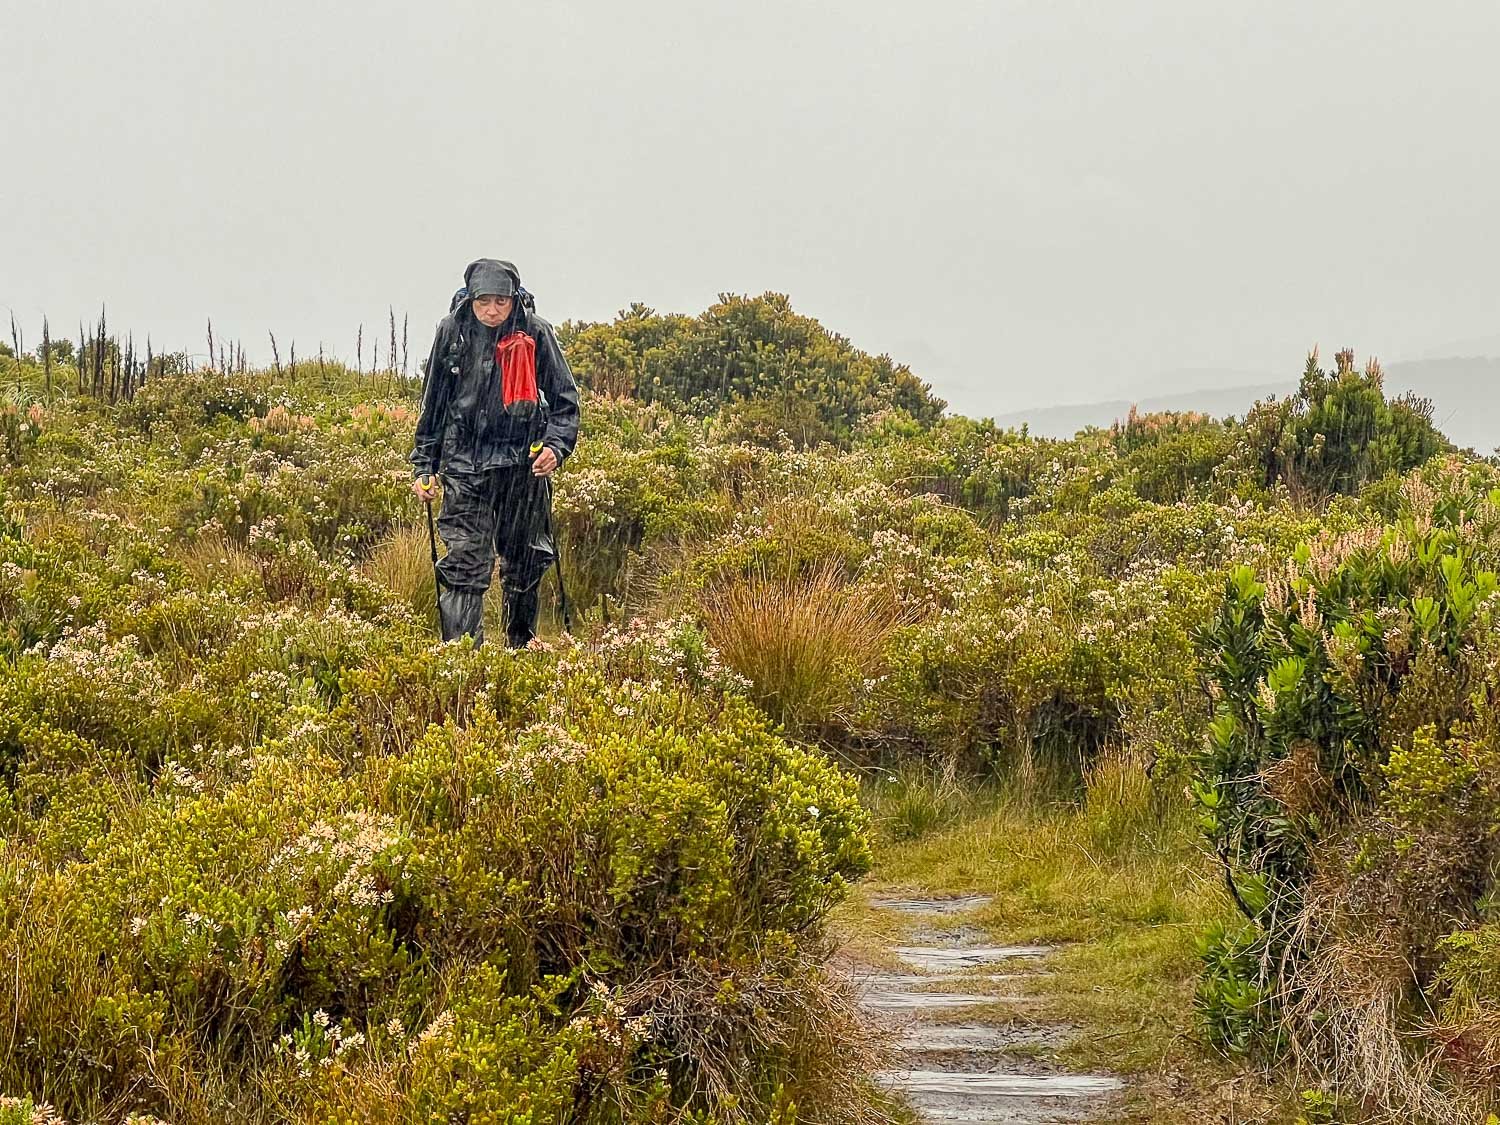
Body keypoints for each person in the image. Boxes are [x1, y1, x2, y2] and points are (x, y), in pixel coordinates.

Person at [409, 258, 580, 647]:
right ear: (470, 299)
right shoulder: (452, 333)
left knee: (525, 562)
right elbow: (433, 405)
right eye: (483, 301)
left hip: (523, 468)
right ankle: (464, 662)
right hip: (465, 468)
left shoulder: (536, 332)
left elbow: (565, 402)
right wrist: (425, 466)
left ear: (513, 298)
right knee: (465, 564)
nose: (491, 310)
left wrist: (556, 446)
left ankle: (521, 653)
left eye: (500, 301)